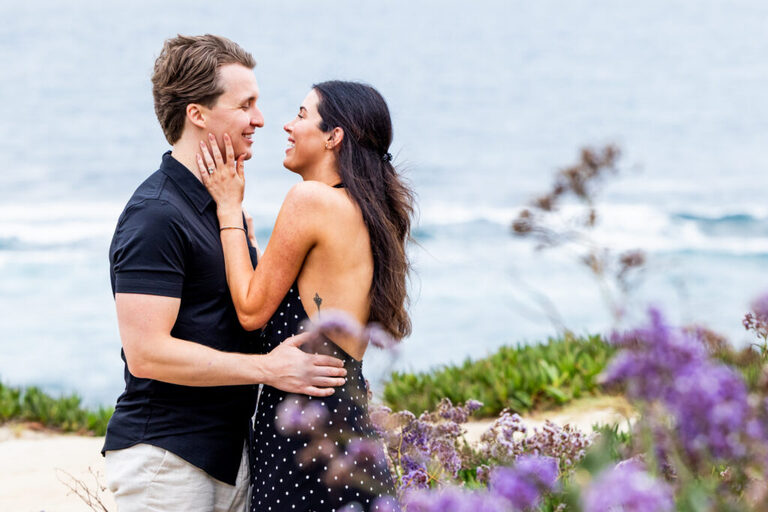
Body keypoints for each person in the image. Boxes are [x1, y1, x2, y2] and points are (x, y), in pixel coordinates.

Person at [102, 34, 347, 512]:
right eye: (246, 104)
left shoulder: (219, 209)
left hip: (232, 456)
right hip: (167, 462)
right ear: (198, 114)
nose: (260, 119)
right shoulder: (156, 215)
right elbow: (147, 354)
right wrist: (269, 370)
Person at [198, 80, 413, 511]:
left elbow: (250, 310)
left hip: (307, 449)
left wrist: (227, 207)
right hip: (348, 438)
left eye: (300, 115)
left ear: (334, 137)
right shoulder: (365, 209)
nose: (286, 126)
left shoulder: (310, 199)